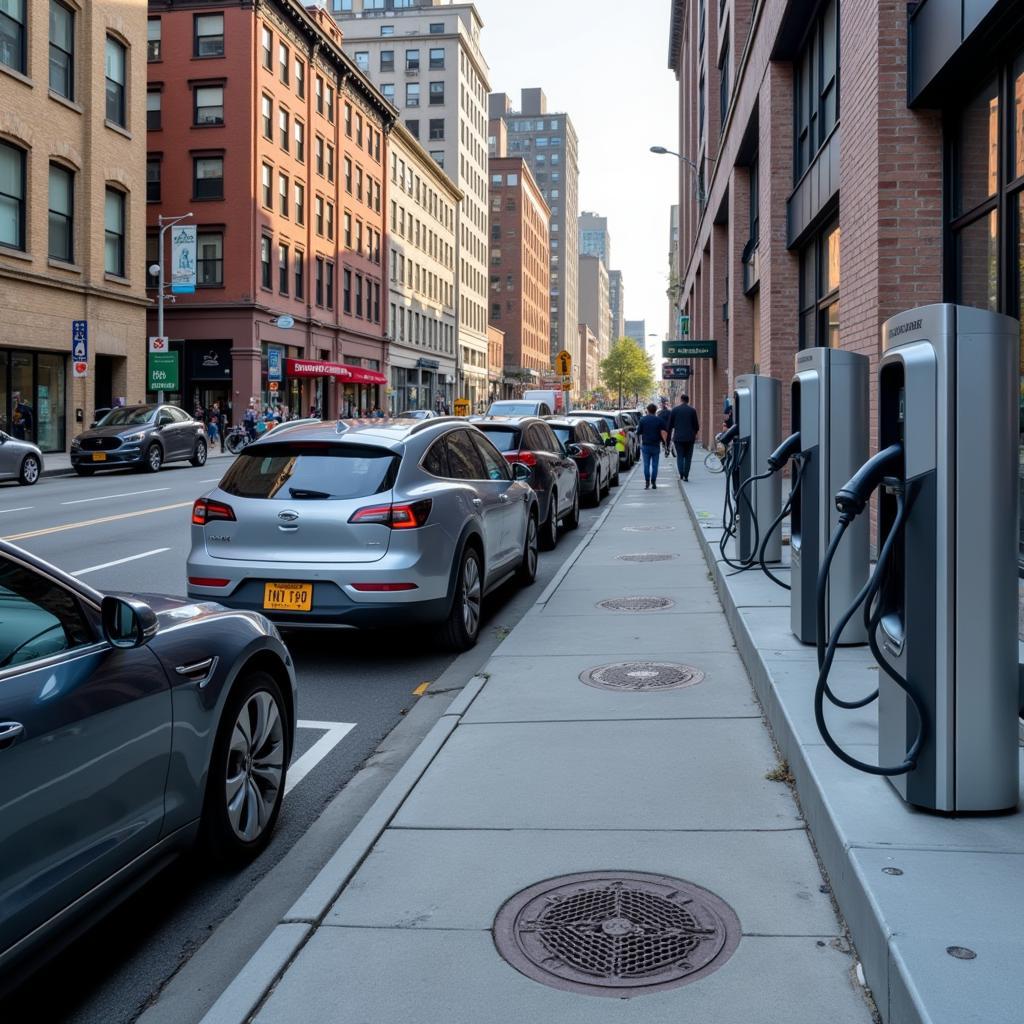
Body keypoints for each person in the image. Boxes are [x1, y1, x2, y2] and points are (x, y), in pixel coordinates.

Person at [667, 393, 700, 482]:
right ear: (688, 400)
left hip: (678, 438)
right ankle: (686, 475)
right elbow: (696, 425)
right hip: (690, 438)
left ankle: (681, 474)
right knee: (688, 457)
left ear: (681, 400)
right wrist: (695, 433)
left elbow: (670, 425)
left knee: (680, 456)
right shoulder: (692, 410)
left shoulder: (675, 410)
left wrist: (669, 438)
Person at [635, 403, 668, 489]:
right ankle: (653, 482)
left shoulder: (643, 420)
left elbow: (638, 432)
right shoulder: (659, 420)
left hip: (646, 445)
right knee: (655, 465)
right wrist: (665, 443)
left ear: (648, 410)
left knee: (646, 465)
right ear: (655, 410)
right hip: (656, 445)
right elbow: (664, 431)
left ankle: (647, 482)